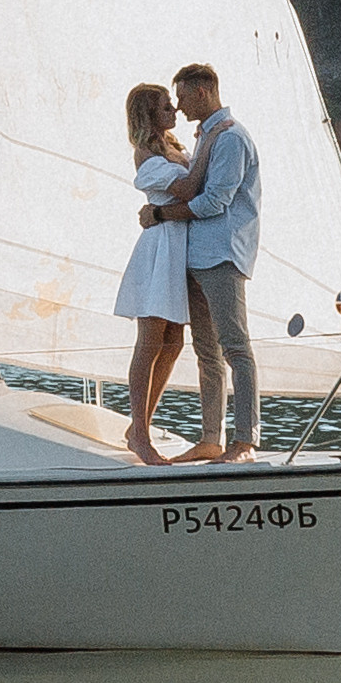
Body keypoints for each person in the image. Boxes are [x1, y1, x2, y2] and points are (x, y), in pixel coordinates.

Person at [141, 62, 261, 463]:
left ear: (204, 92)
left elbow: (214, 202)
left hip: (223, 254)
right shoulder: (207, 137)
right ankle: (212, 438)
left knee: (236, 350)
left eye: (183, 96)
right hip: (196, 256)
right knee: (206, 353)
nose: (178, 105)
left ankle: (244, 441)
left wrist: (158, 216)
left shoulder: (229, 139)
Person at [113, 83, 213, 464]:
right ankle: (140, 433)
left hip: (179, 248)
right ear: (148, 115)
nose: (174, 111)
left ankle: (139, 425)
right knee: (151, 340)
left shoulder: (175, 148)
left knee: (173, 343)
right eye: (166, 107)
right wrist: (210, 143)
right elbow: (189, 188)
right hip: (160, 249)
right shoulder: (147, 155)